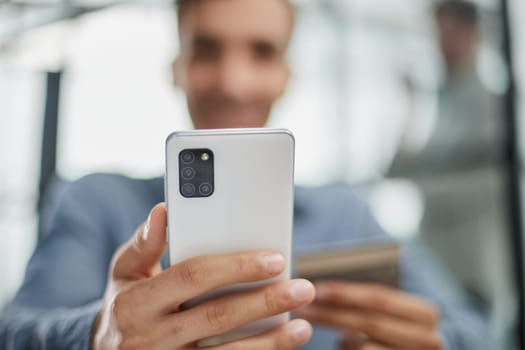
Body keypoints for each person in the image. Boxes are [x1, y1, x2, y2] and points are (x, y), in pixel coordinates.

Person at [0, 0, 495, 349]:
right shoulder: (97, 203)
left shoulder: (346, 215)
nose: (233, 82)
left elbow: (477, 334)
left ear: (286, 74)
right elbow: (14, 331)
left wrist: (439, 343)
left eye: (261, 52)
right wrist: (97, 336)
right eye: (207, 49)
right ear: (177, 67)